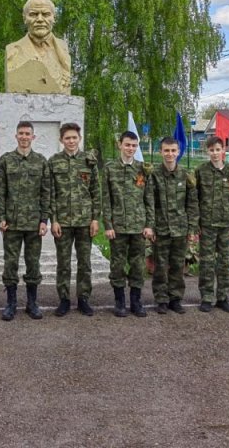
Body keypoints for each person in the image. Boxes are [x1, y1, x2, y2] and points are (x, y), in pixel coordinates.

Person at [0, 121, 50, 321]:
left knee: (33, 263)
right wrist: (0, 217)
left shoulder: (41, 161)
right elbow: (0, 192)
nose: (24, 137)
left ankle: (32, 303)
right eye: (21, 133)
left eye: (28, 133)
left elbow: (46, 193)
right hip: (12, 222)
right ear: (16, 136)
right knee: (10, 263)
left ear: (33, 137)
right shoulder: (6, 160)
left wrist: (44, 219)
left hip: (34, 223)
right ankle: (11, 303)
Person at [49, 122, 101, 316]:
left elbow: (96, 191)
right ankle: (63, 299)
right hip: (62, 221)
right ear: (61, 140)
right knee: (63, 263)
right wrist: (53, 219)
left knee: (85, 263)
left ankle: (83, 299)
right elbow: (51, 193)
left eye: (74, 137)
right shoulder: (54, 162)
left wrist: (95, 219)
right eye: (67, 138)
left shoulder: (89, 161)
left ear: (79, 139)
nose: (71, 141)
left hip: (84, 222)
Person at [102, 131, 155, 318]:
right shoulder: (110, 169)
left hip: (139, 227)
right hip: (118, 227)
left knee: (138, 265)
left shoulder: (143, 169)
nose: (130, 149)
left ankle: (136, 301)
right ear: (120, 145)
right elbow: (106, 200)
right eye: (127, 145)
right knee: (117, 265)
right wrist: (107, 225)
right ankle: (119, 301)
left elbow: (149, 200)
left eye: (134, 145)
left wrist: (149, 225)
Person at [147, 136, 199, 315]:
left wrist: (191, 229)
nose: (170, 154)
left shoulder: (186, 175)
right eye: (166, 150)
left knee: (178, 265)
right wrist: (151, 226)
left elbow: (192, 204)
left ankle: (175, 298)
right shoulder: (153, 175)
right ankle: (161, 299)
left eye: (173, 150)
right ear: (160, 152)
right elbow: (150, 203)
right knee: (160, 266)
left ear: (178, 152)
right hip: (161, 229)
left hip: (180, 229)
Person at [194, 136, 229, 313]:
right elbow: (194, 199)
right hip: (207, 225)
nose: (215, 154)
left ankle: (223, 297)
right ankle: (207, 297)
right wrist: (196, 223)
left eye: (218, 149)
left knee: (224, 262)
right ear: (206, 152)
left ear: (223, 150)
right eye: (211, 150)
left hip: (226, 226)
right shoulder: (200, 171)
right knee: (206, 262)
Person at [5, 0, 72, 94]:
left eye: (45, 14)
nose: (40, 19)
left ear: (54, 18)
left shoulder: (63, 49)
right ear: (25, 19)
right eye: (33, 14)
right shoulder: (12, 52)